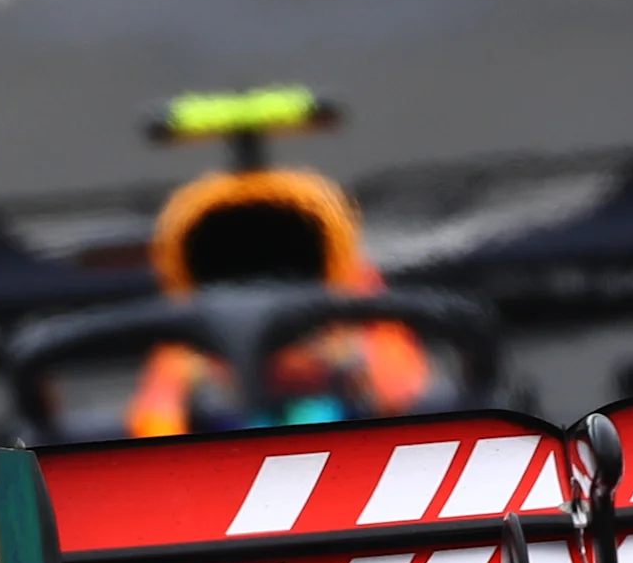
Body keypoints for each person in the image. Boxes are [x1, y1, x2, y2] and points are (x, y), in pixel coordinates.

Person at [121, 167, 450, 434]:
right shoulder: (187, 349)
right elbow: (155, 422)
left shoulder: (360, 315)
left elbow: (401, 390)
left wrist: (347, 364)